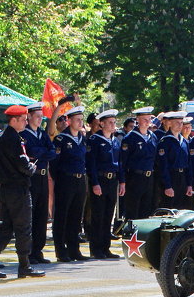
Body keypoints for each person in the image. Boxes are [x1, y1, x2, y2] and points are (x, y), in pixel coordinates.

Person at [0, 104, 45, 279]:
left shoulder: (1, 137)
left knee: (6, 229)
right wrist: (31, 167)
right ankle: (24, 265)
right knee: (23, 228)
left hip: (6, 190)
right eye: (23, 119)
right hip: (18, 189)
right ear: (14, 120)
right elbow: (23, 165)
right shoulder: (13, 139)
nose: (25, 122)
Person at [21, 101, 60, 264]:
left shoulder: (42, 134)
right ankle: (29, 251)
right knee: (30, 215)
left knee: (41, 215)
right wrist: (44, 152)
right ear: (29, 116)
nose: (40, 119)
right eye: (37, 116)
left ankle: (38, 250)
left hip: (44, 176)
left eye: (41, 116)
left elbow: (53, 151)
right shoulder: (24, 134)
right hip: (32, 176)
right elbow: (31, 152)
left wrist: (42, 152)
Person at [51, 106, 89, 262]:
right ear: (69, 121)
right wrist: (60, 180)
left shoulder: (82, 138)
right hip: (65, 180)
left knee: (75, 216)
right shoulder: (61, 139)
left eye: (81, 119)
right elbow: (54, 164)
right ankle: (61, 250)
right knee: (62, 216)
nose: (80, 122)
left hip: (80, 180)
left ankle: (74, 250)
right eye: (77, 119)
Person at [85, 108, 122, 260]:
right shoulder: (95, 140)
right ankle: (96, 248)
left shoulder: (115, 141)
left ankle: (106, 247)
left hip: (112, 180)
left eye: (114, 122)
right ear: (102, 124)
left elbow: (119, 163)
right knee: (98, 215)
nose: (113, 125)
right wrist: (94, 183)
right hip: (100, 180)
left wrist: (122, 181)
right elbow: (91, 164)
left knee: (108, 215)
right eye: (110, 123)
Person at [120, 106, 159, 220]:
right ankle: (131, 236)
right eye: (144, 119)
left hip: (149, 177)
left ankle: (142, 237)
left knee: (146, 210)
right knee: (133, 211)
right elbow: (123, 162)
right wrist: (123, 181)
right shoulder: (130, 138)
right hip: (135, 177)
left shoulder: (153, 137)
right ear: (138, 120)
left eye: (149, 119)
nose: (148, 122)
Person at [157, 111, 191, 211]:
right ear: (170, 123)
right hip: (172, 177)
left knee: (182, 209)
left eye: (181, 122)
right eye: (177, 122)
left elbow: (189, 164)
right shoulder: (165, 141)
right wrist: (167, 185)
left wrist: (189, 184)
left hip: (183, 178)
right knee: (169, 209)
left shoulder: (184, 141)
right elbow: (163, 165)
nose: (180, 125)